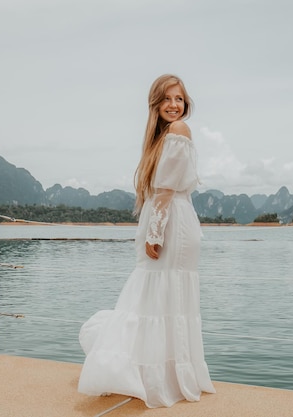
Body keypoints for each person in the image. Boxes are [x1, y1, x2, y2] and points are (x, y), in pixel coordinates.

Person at [77, 74, 216, 408]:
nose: (174, 105)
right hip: (163, 217)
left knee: (159, 294)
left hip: (171, 224)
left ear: (186, 104)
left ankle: (164, 376)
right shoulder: (159, 138)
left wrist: (155, 233)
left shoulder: (179, 131)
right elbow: (159, 192)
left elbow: (167, 189)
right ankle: (158, 373)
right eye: (167, 99)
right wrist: (152, 227)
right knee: (156, 298)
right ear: (156, 104)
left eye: (179, 99)